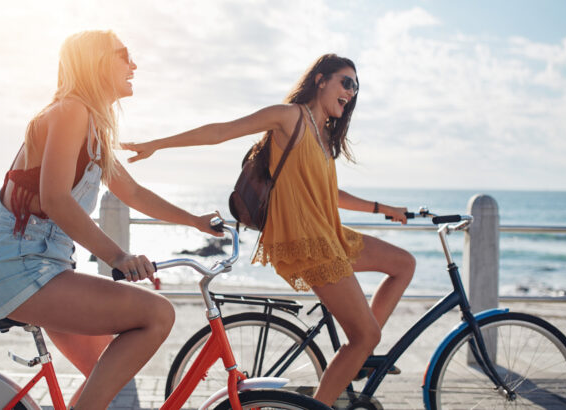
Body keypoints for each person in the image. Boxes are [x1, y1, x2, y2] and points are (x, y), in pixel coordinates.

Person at [124, 54, 416, 407]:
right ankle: (339, 376)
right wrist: (157, 144)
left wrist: (384, 210)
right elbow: (221, 131)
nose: (352, 92)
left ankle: (358, 353)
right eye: (346, 82)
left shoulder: (324, 135)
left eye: (356, 87)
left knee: (404, 264)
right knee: (365, 334)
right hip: (308, 243)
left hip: (332, 235)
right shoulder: (288, 117)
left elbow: (330, 194)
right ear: (321, 80)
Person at [0, 30, 221, 410]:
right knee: (157, 315)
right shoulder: (71, 110)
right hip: (24, 270)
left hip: (47, 267)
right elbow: (56, 199)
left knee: (106, 378)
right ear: (96, 62)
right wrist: (119, 257)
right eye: (124, 55)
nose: (134, 64)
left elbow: (134, 193)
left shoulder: (93, 124)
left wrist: (194, 220)